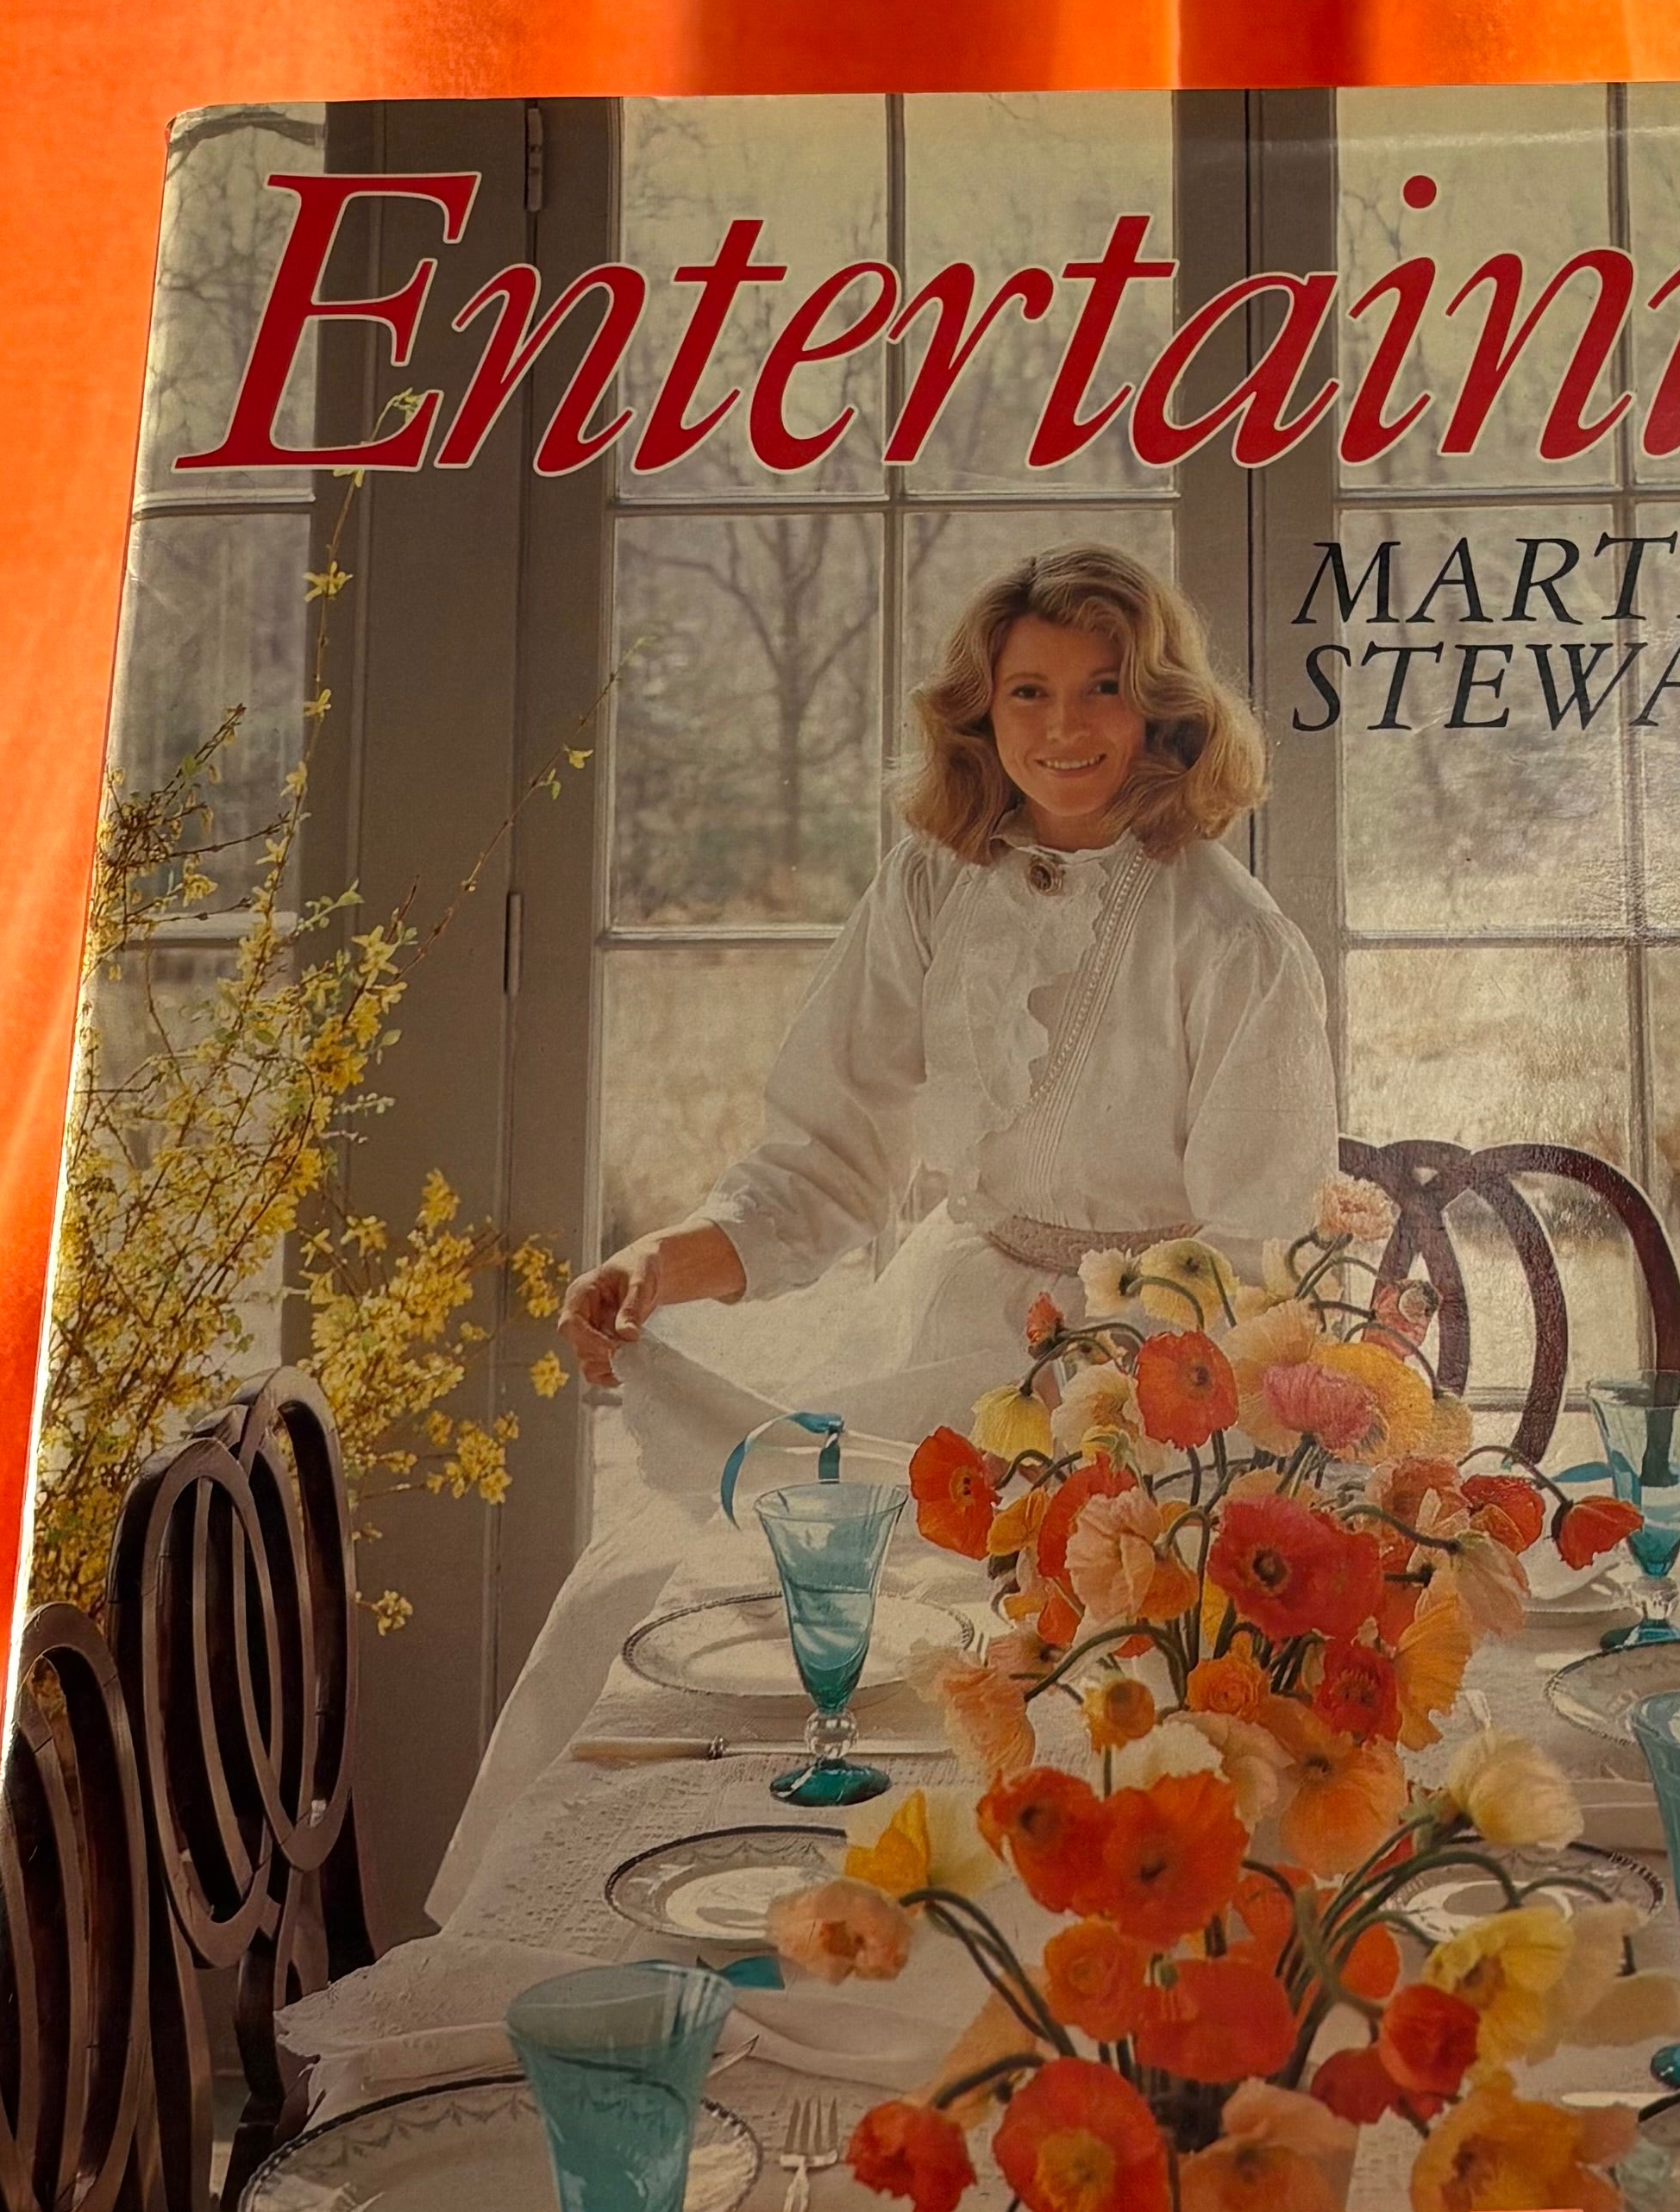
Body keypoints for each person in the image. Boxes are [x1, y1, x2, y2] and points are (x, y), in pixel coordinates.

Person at [427, 544, 1338, 1911]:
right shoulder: (929, 885)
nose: (1064, 726)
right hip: (948, 1332)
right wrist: (661, 1263)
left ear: (1162, 706)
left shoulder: (1233, 936)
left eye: (1102, 688)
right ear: (980, 711)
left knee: (1057, 1659)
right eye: (1026, 692)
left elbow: (1258, 1252)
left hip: (1159, 1390)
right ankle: (589, 1922)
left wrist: (1107, 1427)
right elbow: (826, 1158)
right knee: (654, 1577)